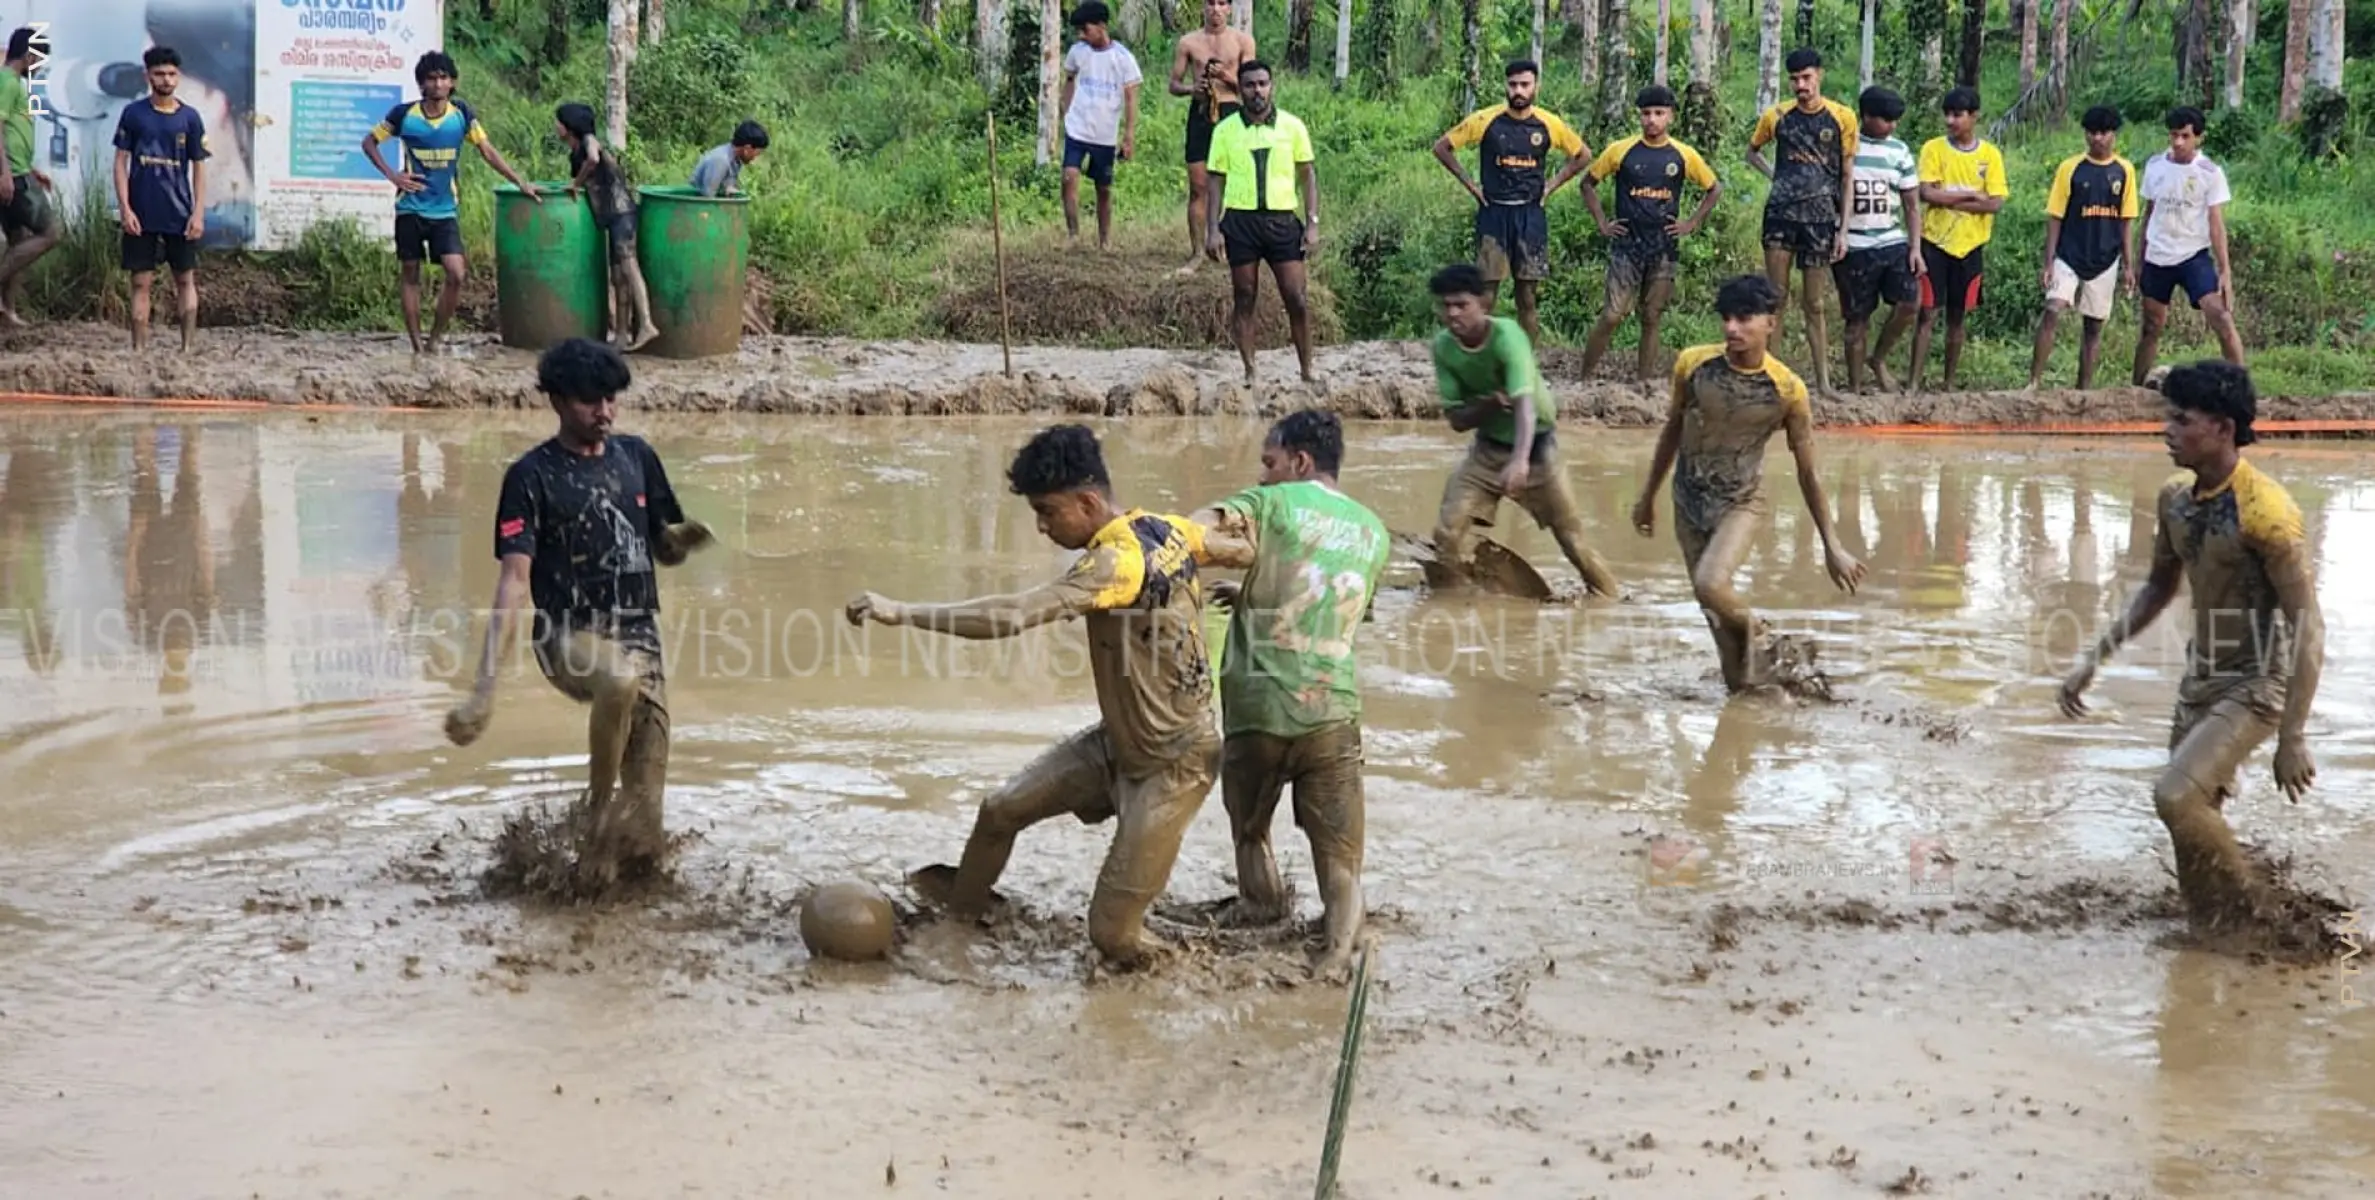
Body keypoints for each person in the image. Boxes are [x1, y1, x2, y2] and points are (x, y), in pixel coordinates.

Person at [844, 424, 1254, 968]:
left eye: (1047, 512)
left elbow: (1012, 616)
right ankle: (957, 928)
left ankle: (1195, 974)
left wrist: (903, 612)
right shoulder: (1169, 529)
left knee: (1112, 935)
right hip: (1121, 742)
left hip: (1174, 764)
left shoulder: (1116, 564)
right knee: (1000, 810)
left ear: (1087, 501)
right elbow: (1244, 549)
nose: (1041, 527)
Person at [2058, 360, 2321, 932]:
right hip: (2199, 678)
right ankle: (2211, 935)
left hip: (2256, 684)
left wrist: (2292, 736)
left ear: (2224, 428)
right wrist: (2093, 658)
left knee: (2175, 796)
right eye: (2167, 417)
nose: (2167, 430)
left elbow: (2309, 627)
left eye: (2182, 419)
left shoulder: (2268, 513)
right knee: (2189, 820)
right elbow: (2157, 589)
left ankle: (2262, 912)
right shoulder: (2176, 499)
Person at [444, 338, 715, 891]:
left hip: (641, 636)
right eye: (591, 401)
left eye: (612, 399)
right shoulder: (531, 477)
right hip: (566, 634)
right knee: (617, 679)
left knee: (644, 828)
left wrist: (680, 543)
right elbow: (514, 581)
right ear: (557, 401)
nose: (605, 412)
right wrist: (484, 690)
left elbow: (659, 548)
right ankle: (594, 816)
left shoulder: (637, 457)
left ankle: (623, 909)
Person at [1186, 409, 1390, 981]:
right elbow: (1337, 606)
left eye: (1270, 463)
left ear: (1299, 462)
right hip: (1333, 712)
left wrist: (1156, 538)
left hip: (1258, 709)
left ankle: (1262, 907)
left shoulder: (1270, 503)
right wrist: (1251, 589)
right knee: (1342, 863)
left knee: (1250, 831)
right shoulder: (1374, 531)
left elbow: (1200, 530)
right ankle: (1334, 962)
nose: (1264, 473)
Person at [1630, 275, 1866, 694]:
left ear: (1771, 323)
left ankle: (1766, 634)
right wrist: (1647, 496)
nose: (1732, 329)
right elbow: (1672, 432)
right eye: (1726, 319)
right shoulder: (1694, 365)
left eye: (1744, 318)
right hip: (1688, 500)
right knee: (1719, 625)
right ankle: (1752, 699)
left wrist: (1831, 544)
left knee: (1710, 584)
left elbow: (1808, 471)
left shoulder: (1787, 390)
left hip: (1741, 502)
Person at [1427, 262, 1619, 598]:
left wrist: (1519, 461)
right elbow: (1457, 421)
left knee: (1573, 542)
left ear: (1483, 304)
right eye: (1446, 306)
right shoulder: (1444, 347)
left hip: (1538, 451)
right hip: (1486, 451)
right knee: (1446, 534)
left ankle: (1612, 601)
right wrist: (1490, 402)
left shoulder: (1507, 336)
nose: (1453, 313)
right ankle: (1449, 605)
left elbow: (1525, 407)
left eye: (1461, 304)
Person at [363, 52, 540, 355]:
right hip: (410, 207)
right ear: (421, 84)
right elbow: (369, 143)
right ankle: (417, 344)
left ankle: (435, 339)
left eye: (443, 77)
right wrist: (393, 176)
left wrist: (519, 181)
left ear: (452, 82)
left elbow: (487, 151)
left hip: (445, 210)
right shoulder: (403, 115)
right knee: (410, 271)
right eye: (432, 78)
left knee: (456, 272)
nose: (438, 83)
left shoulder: (462, 115)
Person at [1431, 59, 1591, 347]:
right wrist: (1471, 186)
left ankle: (1527, 361)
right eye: (1513, 84)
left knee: (1527, 296)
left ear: (1535, 87)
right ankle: (1480, 354)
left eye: (1525, 85)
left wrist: (1551, 186)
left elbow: (1583, 155)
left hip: (1530, 216)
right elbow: (1442, 147)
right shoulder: (1485, 120)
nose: (1518, 90)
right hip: (1494, 214)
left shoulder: (1548, 123)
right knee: (1486, 294)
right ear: (1505, 85)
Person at [1573, 85, 1721, 384]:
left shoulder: (1683, 154)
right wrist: (1602, 222)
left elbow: (1714, 188)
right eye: (1646, 114)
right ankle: (1584, 379)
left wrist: (1691, 223)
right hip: (1626, 245)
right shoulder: (1620, 150)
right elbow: (1587, 184)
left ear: (1671, 117)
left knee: (1652, 317)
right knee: (1613, 315)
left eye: (1658, 113)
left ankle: (1643, 384)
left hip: (1664, 247)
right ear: (1639, 117)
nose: (1652, 120)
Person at [1745, 48, 1856, 401]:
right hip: (1780, 216)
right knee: (1775, 299)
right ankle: (1771, 378)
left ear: (1819, 75)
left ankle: (1823, 383)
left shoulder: (1842, 117)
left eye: (1806, 78)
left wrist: (1843, 229)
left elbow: (1847, 175)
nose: (1801, 85)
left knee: (1816, 303)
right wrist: (1775, 176)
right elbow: (1752, 151)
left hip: (1821, 220)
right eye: (1794, 79)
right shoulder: (1777, 115)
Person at [1204, 61, 1318, 386]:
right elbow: (1214, 180)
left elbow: (1308, 175)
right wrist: (1213, 230)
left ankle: (1307, 371)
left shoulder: (1292, 126)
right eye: (1250, 85)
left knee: (1296, 297)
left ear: (1272, 86)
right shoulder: (1225, 131)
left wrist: (1312, 223)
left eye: (1263, 83)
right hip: (1240, 222)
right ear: (1240, 90)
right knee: (1244, 295)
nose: (1257, 91)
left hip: (1283, 221)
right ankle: (1250, 371)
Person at [2027, 106, 2138, 393]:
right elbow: (2055, 216)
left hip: (2105, 257)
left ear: (2113, 135)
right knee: (2052, 309)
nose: (2098, 139)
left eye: (2104, 133)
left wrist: (2128, 265)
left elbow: (2127, 221)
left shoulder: (2124, 171)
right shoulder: (2070, 168)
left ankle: (2083, 390)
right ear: (2085, 135)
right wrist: (2049, 262)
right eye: (2092, 133)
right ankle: (2033, 382)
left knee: (2093, 327)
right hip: (2069, 254)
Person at [2132, 107, 2245, 385]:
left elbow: (2216, 223)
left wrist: (2225, 270)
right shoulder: (2156, 165)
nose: (2178, 142)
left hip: (2193, 256)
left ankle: (2241, 384)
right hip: (2158, 254)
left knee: (2220, 315)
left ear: (2198, 138)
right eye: (2173, 135)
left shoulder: (2209, 172)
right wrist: (2139, 258)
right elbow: (2149, 212)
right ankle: (2135, 388)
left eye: (2185, 136)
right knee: (2151, 325)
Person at [1908, 87, 2007, 394]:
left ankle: (1948, 384)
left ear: (1974, 116)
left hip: (1971, 245)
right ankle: (1913, 383)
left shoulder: (1989, 155)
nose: (1950, 121)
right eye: (1947, 114)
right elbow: (1926, 193)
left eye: (1957, 115)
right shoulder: (1933, 149)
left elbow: (1994, 203)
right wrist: (1969, 194)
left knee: (1957, 316)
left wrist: (1948, 199)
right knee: (1926, 312)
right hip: (1935, 241)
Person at [112, 46, 209, 352]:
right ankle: (139, 349)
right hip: (141, 213)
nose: (166, 80)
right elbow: (119, 163)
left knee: (184, 280)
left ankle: (187, 348)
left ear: (178, 77)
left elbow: (199, 167)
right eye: (159, 74)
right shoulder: (133, 114)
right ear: (148, 76)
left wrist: (197, 214)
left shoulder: (191, 118)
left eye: (171, 74)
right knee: (141, 282)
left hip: (179, 214)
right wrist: (125, 208)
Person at [1833, 85, 1924, 395]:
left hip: (1892, 241)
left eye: (1895, 120)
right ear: (1867, 116)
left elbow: (1912, 204)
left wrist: (1915, 248)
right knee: (1857, 318)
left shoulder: (1899, 150)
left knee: (1910, 303)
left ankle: (1879, 358)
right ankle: (1856, 388)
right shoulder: (1844, 148)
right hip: (1854, 246)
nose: (1892, 125)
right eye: (1886, 119)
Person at [555, 102, 659, 352]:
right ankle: (621, 335)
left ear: (569, 126)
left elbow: (593, 160)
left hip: (622, 214)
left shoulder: (590, 142)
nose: (556, 126)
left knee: (629, 265)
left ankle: (646, 323)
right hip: (611, 218)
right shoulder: (575, 151)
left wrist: (575, 184)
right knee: (617, 278)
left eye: (558, 121)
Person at [1169, 0, 1256, 275]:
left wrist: (1227, 76)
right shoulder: (1188, 42)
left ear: (1229, 9)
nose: (1215, 9)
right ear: (1203, 8)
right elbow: (1173, 84)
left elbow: (1252, 85)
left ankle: (1229, 245)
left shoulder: (1242, 41)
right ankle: (1197, 252)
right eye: (1210, 3)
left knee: (1234, 184)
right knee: (1198, 186)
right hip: (1200, 111)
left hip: (1231, 111)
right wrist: (1192, 89)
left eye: (1221, 3)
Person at [1058, 2, 1142, 251]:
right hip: (1077, 127)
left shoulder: (1123, 59)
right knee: (1069, 176)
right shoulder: (1078, 52)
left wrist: (1128, 136)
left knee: (1103, 187)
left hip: (1104, 133)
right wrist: (1064, 111)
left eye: (1085, 29)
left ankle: (1104, 240)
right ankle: (1073, 234)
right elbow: (1070, 81)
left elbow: (1130, 98)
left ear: (1102, 26)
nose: (1082, 36)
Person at [0, 27, 59, 329]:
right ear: (29, 53)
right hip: (13, 174)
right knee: (51, 233)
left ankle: (6, 312)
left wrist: (33, 168)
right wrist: (6, 172)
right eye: (40, 57)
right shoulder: (7, 81)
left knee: (19, 238)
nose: (40, 64)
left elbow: (13, 133)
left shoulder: (15, 84)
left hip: (20, 169)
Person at [691, 121, 768, 198]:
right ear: (747, 149)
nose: (755, 158)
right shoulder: (721, 160)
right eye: (757, 154)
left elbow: (728, 188)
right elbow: (708, 196)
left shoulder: (736, 160)